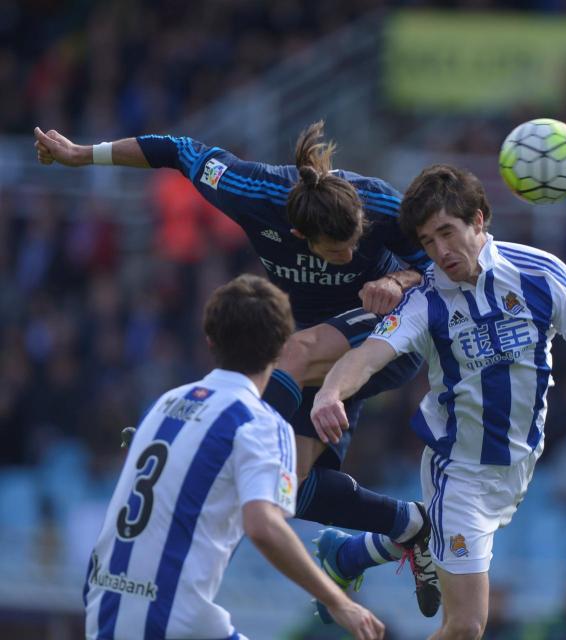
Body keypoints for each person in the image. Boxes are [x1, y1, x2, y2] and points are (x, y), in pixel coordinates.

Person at [33, 122, 440, 616]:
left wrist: (397, 278)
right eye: (337, 252)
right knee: (291, 490)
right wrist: (83, 153)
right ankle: (411, 525)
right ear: (298, 235)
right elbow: (178, 150)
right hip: (314, 354)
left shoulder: (381, 206)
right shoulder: (254, 190)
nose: (351, 257)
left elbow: (439, 267)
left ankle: (221, 444)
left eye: (355, 245)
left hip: (386, 335)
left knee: (291, 353)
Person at [311, 164, 566, 639]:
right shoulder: (425, 298)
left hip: (517, 467)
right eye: (428, 241)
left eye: (447, 233)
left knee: (439, 543)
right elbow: (369, 356)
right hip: (458, 467)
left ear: (479, 219)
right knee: (467, 627)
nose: (440, 251)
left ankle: (349, 553)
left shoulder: (541, 275)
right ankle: (369, 550)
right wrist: (331, 391)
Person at [84, 273, 384, 640]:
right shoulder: (260, 423)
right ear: (281, 348)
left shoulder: (166, 402)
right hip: (172, 618)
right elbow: (263, 525)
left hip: (104, 606)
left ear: (209, 341)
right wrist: (340, 601)